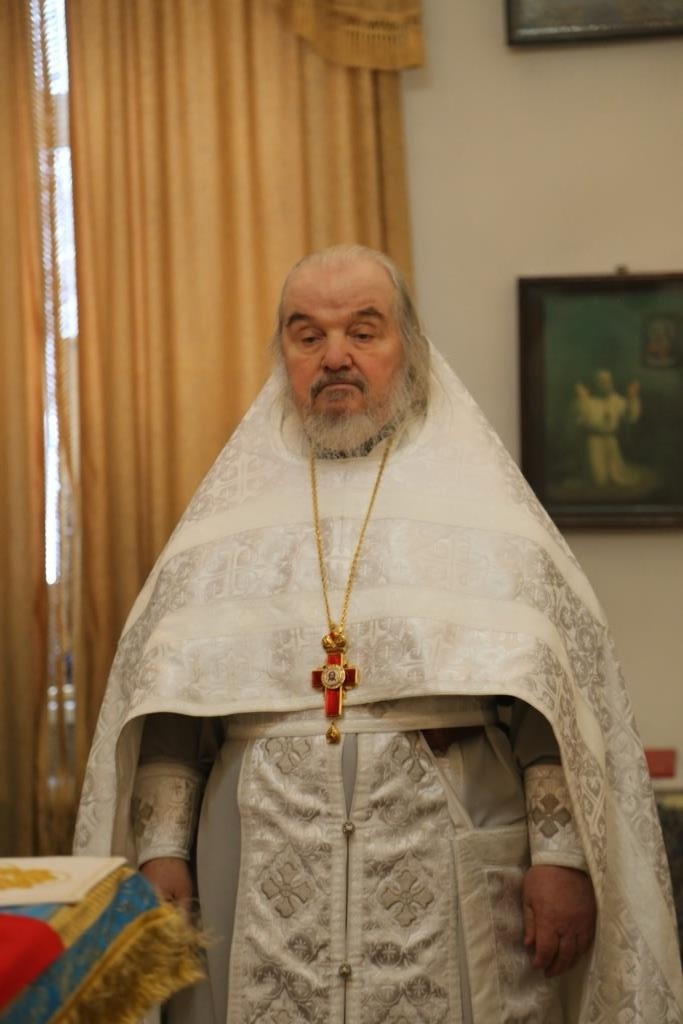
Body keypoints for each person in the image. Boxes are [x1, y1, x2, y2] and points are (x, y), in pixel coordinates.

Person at [74, 246, 683, 1023]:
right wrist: (161, 851)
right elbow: (170, 704)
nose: (335, 356)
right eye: (307, 335)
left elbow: (548, 701)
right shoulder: (225, 521)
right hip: (256, 862)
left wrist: (561, 857)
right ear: (282, 355)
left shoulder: (484, 505)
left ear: (410, 348)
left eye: (363, 331)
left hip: (445, 857)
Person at [574, 369, 643, 487]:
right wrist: (582, 402)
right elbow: (580, 422)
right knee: (599, 480)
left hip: (611, 440)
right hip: (593, 442)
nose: (605, 384)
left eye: (608, 381)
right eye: (601, 381)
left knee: (616, 476)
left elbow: (630, 417)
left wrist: (632, 397)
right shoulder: (587, 401)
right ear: (595, 383)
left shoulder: (617, 400)